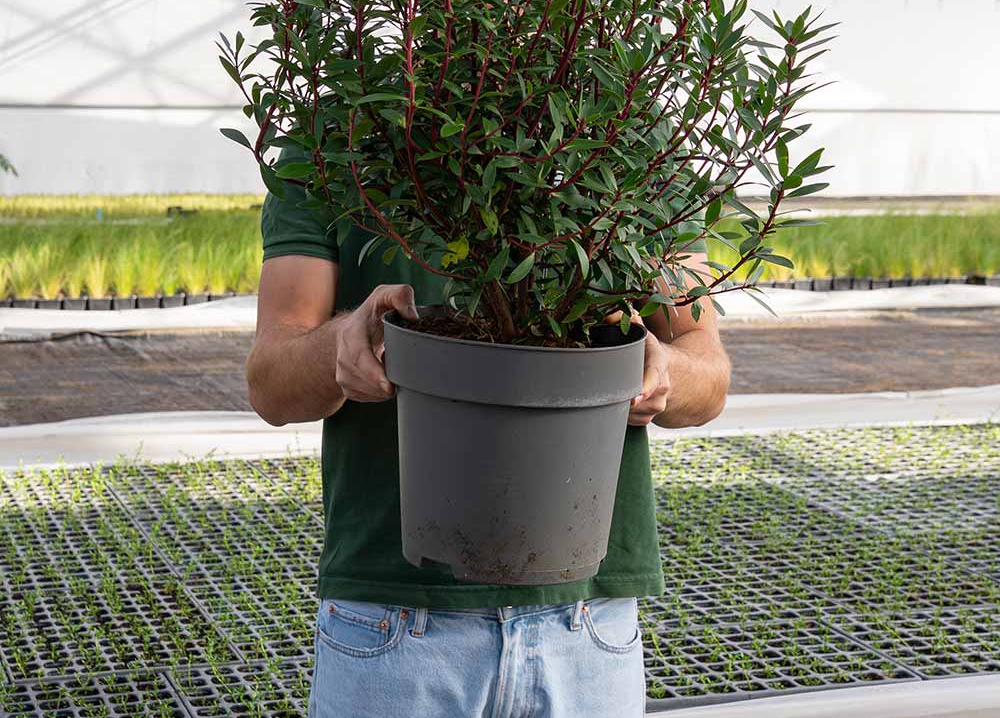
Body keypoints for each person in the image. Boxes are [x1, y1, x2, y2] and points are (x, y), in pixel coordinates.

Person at [247, 172, 731, 718]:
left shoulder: (646, 144)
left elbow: (707, 370)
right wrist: (342, 342)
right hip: (395, 619)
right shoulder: (330, 142)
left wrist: (663, 375)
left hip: (588, 618)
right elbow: (271, 382)